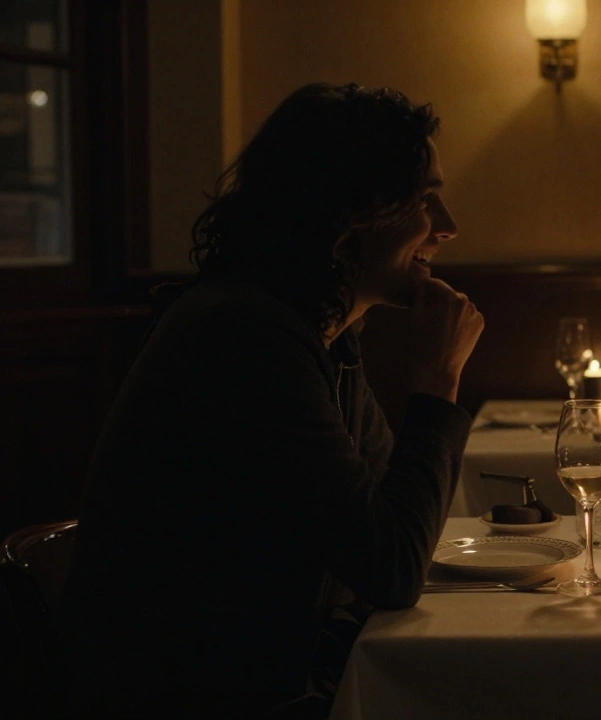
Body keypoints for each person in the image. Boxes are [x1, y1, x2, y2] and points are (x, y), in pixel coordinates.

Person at [58, 82, 483, 718]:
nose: (446, 228)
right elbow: (392, 566)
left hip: (266, 677)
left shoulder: (316, 332)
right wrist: (438, 377)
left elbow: (393, 531)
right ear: (349, 217)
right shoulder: (244, 337)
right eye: (423, 199)